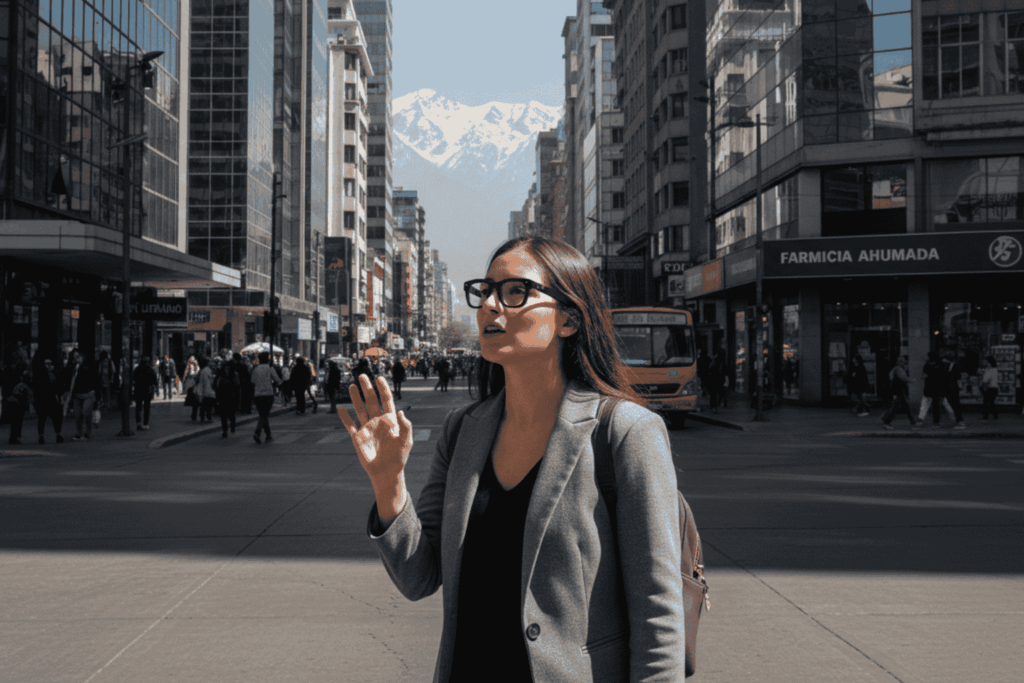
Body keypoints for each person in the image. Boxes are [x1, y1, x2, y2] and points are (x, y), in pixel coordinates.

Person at [339, 236, 686, 681]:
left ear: (569, 319)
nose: (490, 306)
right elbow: (418, 577)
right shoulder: (463, 430)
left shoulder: (625, 432)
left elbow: (658, 615)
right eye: (485, 291)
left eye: (515, 292)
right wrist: (388, 484)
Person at [63, 349, 99, 441]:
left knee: (86, 412)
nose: (76, 358)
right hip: (77, 394)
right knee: (78, 414)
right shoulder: (72, 368)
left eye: (78, 356)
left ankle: (87, 432)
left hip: (88, 393)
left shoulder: (87, 367)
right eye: (75, 357)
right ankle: (80, 432)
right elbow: (68, 379)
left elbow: (95, 378)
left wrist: (95, 393)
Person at [918, 351, 956, 428]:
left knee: (928, 404)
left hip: (931, 388)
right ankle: (954, 419)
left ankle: (923, 420)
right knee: (944, 404)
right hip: (939, 388)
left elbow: (926, 373)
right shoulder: (941, 364)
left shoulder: (930, 364)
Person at [881, 356, 919, 429]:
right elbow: (903, 378)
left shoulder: (897, 368)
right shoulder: (899, 369)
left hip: (899, 390)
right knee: (895, 407)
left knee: (906, 407)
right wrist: (911, 380)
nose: (904, 362)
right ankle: (886, 422)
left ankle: (913, 422)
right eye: (902, 361)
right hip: (898, 391)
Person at [252, 351, 281, 443]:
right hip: (268, 394)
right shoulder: (270, 368)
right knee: (264, 415)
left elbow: (252, 382)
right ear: (268, 359)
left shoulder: (255, 369)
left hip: (257, 395)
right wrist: (275, 386)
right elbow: (277, 380)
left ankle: (268, 434)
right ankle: (257, 432)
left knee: (263, 415)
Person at [33, 357, 64, 444]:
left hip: (51, 398)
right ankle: (42, 435)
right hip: (43, 398)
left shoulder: (54, 373)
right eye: (47, 364)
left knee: (54, 417)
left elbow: (58, 385)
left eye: (50, 363)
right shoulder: (41, 374)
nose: (48, 365)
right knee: (42, 418)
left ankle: (58, 434)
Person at [6, 370, 33, 445]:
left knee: (14, 422)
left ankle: (13, 438)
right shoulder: (25, 386)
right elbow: (22, 396)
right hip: (19, 405)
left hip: (14, 404)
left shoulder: (20, 385)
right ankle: (15, 438)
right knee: (17, 422)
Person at [215, 357, 240, 438]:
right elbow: (217, 386)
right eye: (225, 367)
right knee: (223, 415)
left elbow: (237, 386)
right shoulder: (221, 375)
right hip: (223, 397)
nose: (227, 368)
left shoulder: (234, 374)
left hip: (231, 397)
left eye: (228, 367)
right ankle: (225, 430)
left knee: (231, 414)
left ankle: (232, 425)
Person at [132, 356, 159, 431]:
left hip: (138, 390)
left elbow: (133, 379)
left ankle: (138, 423)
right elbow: (155, 381)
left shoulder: (137, 369)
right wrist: (156, 389)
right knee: (146, 408)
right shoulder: (151, 370)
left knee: (138, 407)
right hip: (147, 391)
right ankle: (145, 424)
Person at [942, 349, 967, 430]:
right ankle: (958, 420)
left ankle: (959, 421)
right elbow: (958, 377)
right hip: (953, 387)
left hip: (949, 388)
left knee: (952, 404)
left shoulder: (946, 366)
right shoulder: (954, 365)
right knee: (955, 404)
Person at [195, 357, 216, 423]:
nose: (212, 363)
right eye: (210, 362)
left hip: (205, 390)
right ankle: (207, 417)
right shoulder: (206, 370)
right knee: (207, 405)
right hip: (207, 390)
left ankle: (203, 417)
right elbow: (208, 381)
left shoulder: (204, 370)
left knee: (204, 405)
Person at [980, 355, 999, 420]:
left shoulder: (992, 370)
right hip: (991, 388)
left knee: (988, 402)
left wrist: (983, 385)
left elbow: (987, 379)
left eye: (985, 362)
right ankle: (993, 415)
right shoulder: (991, 369)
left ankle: (987, 416)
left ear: (988, 362)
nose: (984, 363)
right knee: (990, 402)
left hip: (990, 388)